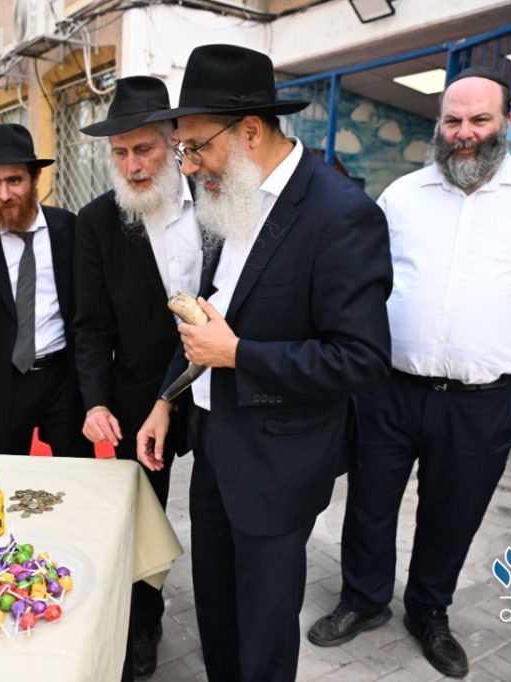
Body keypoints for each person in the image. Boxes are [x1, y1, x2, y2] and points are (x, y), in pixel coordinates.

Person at [307, 67, 511, 679]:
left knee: (452, 513)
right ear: (439, 125)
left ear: (504, 123)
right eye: (453, 120)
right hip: (389, 389)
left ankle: (429, 612)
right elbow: (362, 281)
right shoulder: (402, 195)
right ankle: (363, 599)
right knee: (369, 505)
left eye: (479, 120)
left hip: (481, 401)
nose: (464, 133)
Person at [136, 45, 393, 682]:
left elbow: (361, 360)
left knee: (265, 628)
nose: (189, 166)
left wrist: (240, 355)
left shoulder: (341, 214)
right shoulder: (232, 196)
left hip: (279, 463)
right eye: (182, 149)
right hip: (213, 447)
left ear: (250, 131)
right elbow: (210, 315)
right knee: (216, 612)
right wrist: (167, 399)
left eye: (197, 147)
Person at [74, 76, 202, 680]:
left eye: (144, 149)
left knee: (220, 509)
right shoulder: (98, 221)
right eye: (120, 152)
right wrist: (96, 402)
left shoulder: (217, 199)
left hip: (220, 389)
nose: (132, 165)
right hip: (136, 399)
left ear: (174, 142)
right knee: (140, 518)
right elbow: (90, 325)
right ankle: (143, 620)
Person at [0, 123, 93, 458]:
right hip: (0, 381)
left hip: (63, 378)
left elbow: (88, 310)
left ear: (35, 178)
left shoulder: (68, 227)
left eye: (14, 181)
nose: (3, 194)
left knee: (79, 472)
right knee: (2, 476)